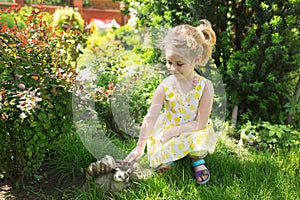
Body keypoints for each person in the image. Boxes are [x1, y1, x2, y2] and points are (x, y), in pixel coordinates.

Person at [124, 19, 218, 184]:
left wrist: (172, 132)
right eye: (169, 62)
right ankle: (170, 159)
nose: (173, 68)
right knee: (161, 143)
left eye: (179, 64)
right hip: (169, 128)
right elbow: (151, 117)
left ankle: (197, 161)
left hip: (193, 128)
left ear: (196, 60)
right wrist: (140, 146)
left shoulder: (205, 87)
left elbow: (200, 124)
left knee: (198, 142)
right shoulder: (165, 86)